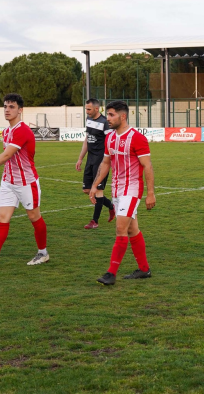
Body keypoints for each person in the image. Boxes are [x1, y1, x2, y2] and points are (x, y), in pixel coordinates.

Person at [0, 93, 49, 270]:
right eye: (5, 106)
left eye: (11, 107)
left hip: (26, 182)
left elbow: (7, 155)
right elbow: (8, 158)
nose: (7, 110)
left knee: (34, 217)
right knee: (2, 217)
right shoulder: (7, 131)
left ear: (20, 110)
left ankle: (43, 253)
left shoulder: (22, 130)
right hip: (8, 182)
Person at [91, 101, 156, 285]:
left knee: (120, 229)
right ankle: (144, 269)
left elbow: (147, 166)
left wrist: (150, 193)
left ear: (123, 116)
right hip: (117, 190)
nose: (108, 119)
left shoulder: (137, 138)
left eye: (111, 115)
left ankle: (111, 273)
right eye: (108, 115)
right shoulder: (110, 138)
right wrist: (96, 185)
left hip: (132, 190)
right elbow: (105, 163)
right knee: (132, 229)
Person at [76, 98, 115, 229]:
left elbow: (111, 142)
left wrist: (111, 162)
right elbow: (87, 139)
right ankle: (110, 206)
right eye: (86, 109)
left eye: (89, 109)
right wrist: (81, 158)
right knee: (87, 190)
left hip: (101, 160)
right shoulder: (89, 120)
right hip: (90, 159)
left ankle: (95, 221)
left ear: (97, 109)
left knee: (98, 191)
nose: (86, 111)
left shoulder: (105, 123)